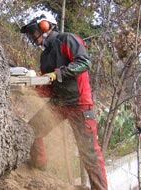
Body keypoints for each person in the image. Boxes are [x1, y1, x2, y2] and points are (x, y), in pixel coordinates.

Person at [20, 11, 108, 190]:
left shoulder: (67, 40)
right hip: (59, 103)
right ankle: (38, 170)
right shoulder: (45, 56)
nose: (31, 36)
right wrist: (33, 87)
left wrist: (57, 73)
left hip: (79, 104)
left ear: (44, 26)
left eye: (32, 31)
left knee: (89, 154)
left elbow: (84, 62)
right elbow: (49, 85)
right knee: (32, 130)